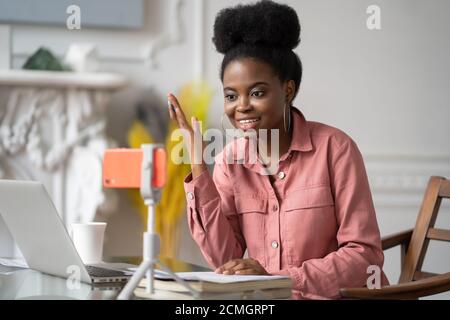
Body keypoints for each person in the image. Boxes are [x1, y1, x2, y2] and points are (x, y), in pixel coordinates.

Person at [167, 0, 388, 299]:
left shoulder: (336, 149)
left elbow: (365, 257)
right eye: (231, 95)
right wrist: (197, 165)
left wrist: (277, 279)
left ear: (288, 90)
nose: (242, 106)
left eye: (257, 92)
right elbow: (223, 259)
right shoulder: (229, 162)